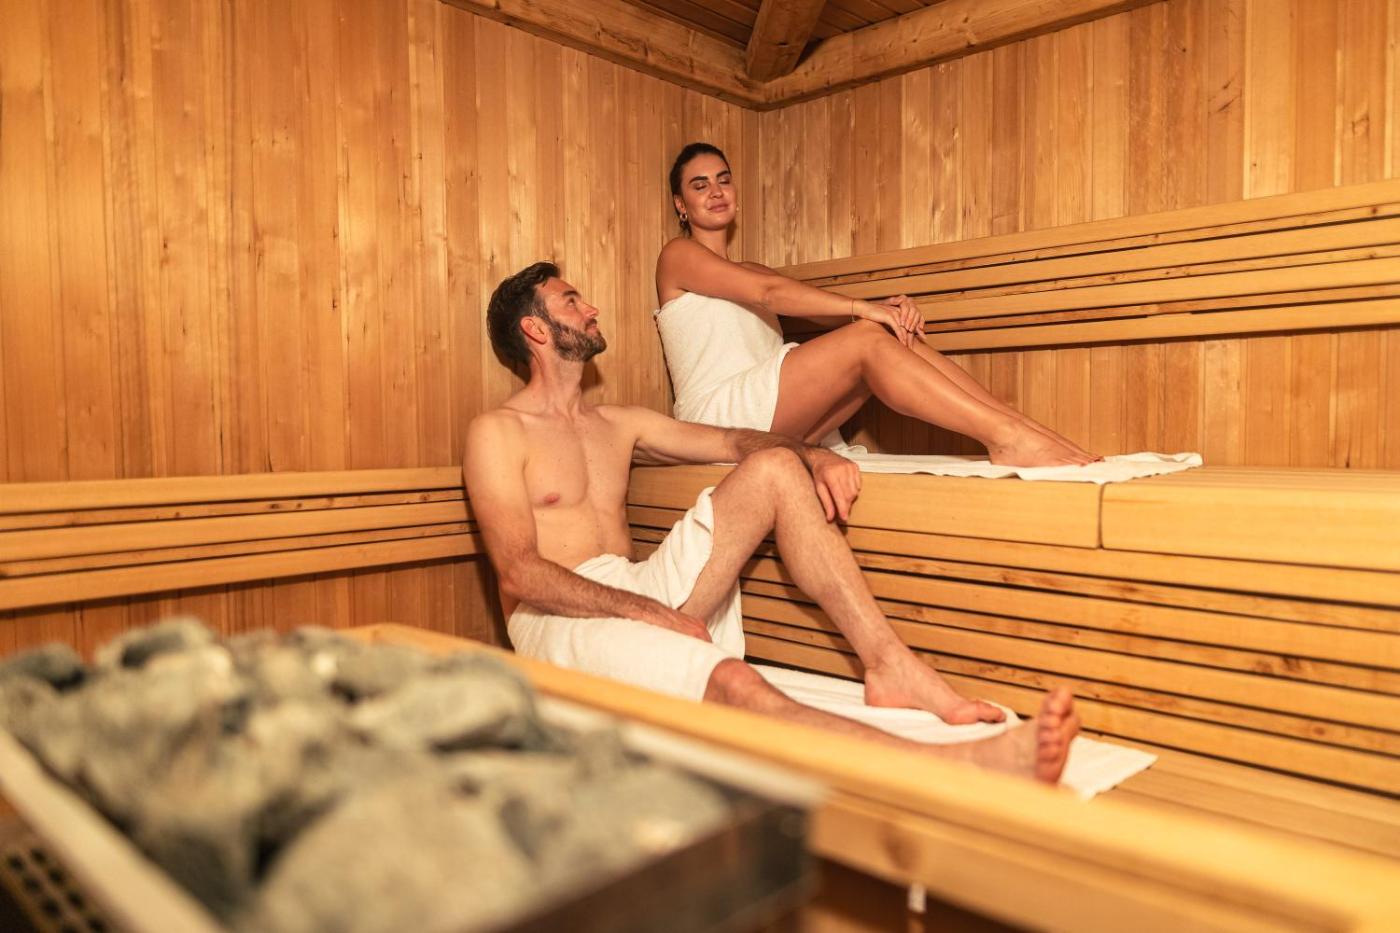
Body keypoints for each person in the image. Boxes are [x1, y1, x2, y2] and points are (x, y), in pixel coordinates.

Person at [464, 261, 1080, 783]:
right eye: (572, 301)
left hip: (633, 586)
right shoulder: (498, 432)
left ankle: (889, 664)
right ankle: (959, 766)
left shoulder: (618, 423)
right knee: (733, 682)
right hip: (558, 619)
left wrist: (812, 454)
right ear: (535, 329)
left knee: (777, 467)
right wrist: (650, 614)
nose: (592, 308)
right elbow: (520, 574)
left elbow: (733, 441)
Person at [654, 142, 1096, 466]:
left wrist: (883, 309)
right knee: (867, 334)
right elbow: (769, 294)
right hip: (714, 422)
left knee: (885, 332)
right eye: (700, 185)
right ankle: (1007, 438)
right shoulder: (677, 256)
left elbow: (808, 306)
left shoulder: (752, 268)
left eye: (724, 180)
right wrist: (863, 310)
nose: (716, 191)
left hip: (772, 417)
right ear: (681, 204)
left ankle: (1027, 431)